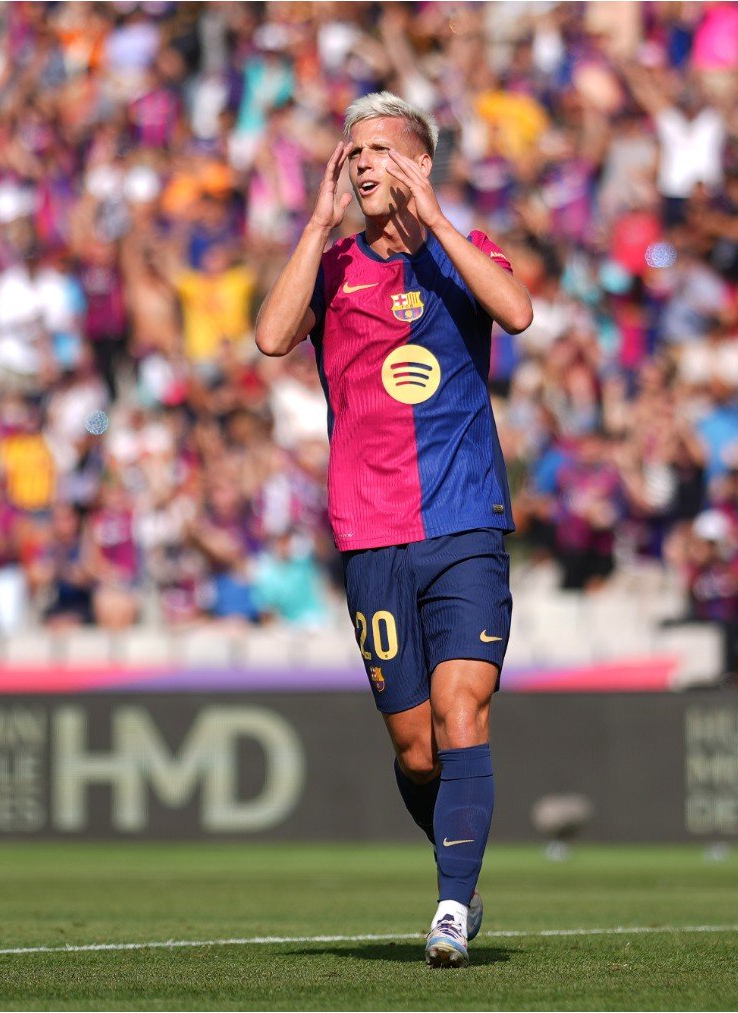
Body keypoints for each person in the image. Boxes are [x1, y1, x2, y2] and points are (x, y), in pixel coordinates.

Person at [254, 91, 533, 968]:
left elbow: (519, 314)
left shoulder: (463, 254)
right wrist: (313, 225)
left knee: (461, 709)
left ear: (419, 162)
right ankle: (460, 867)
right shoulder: (333, 267)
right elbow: (269, 336)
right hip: (371, 534)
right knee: (418, 752)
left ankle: (450, 907)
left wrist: (438, 217)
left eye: (380, 149)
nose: (362, 161)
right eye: (353, 149)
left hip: (463, 523)